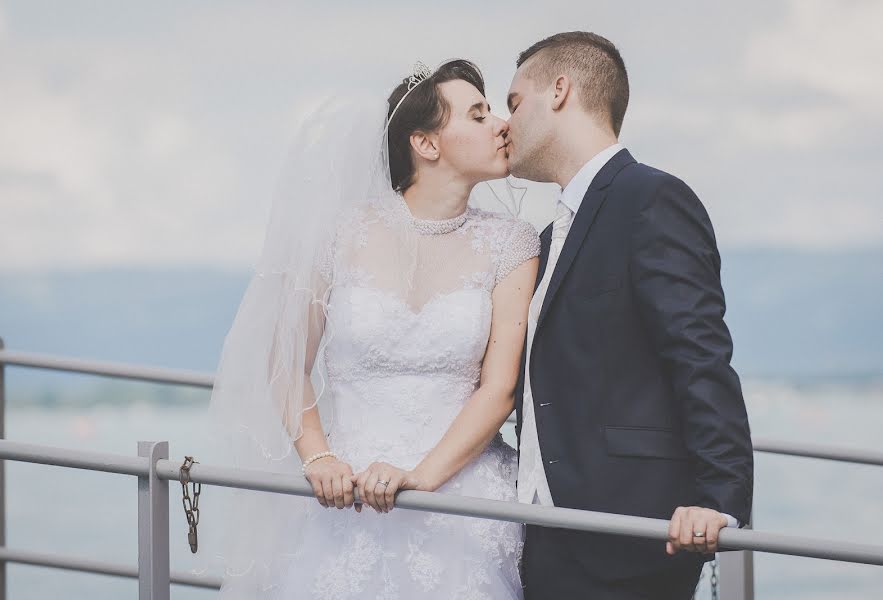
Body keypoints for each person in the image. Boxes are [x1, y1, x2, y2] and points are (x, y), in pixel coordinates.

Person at [208, 59, 538, 599]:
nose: (502, 124)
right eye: (478, 115)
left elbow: (498, 389)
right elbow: (284, 360)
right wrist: (318, 457)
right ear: (427, 144)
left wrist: (423, 477)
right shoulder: (341, 233)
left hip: (458, 500)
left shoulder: (512, 244)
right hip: (345, 496)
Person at [505, 32, 754, 599]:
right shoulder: (549, 236)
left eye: (515, 102)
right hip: (547, 539)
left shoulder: (652, 199)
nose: (505, 122)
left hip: (633, 540)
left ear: (561, 91)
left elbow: (700, 355)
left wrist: (719, 503)